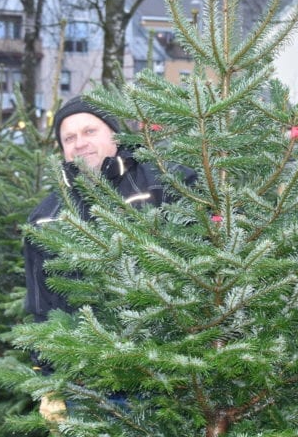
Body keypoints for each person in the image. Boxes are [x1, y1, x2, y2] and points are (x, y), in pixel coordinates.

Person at [23, 95, 196, 419]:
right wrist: (50, 381)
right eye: (69, 138)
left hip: (171, 378)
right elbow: (42, 307)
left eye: (90, 131)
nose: (80, 143)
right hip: (89, 387)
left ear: (115, 134)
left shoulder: (166, 183)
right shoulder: (46, 217)